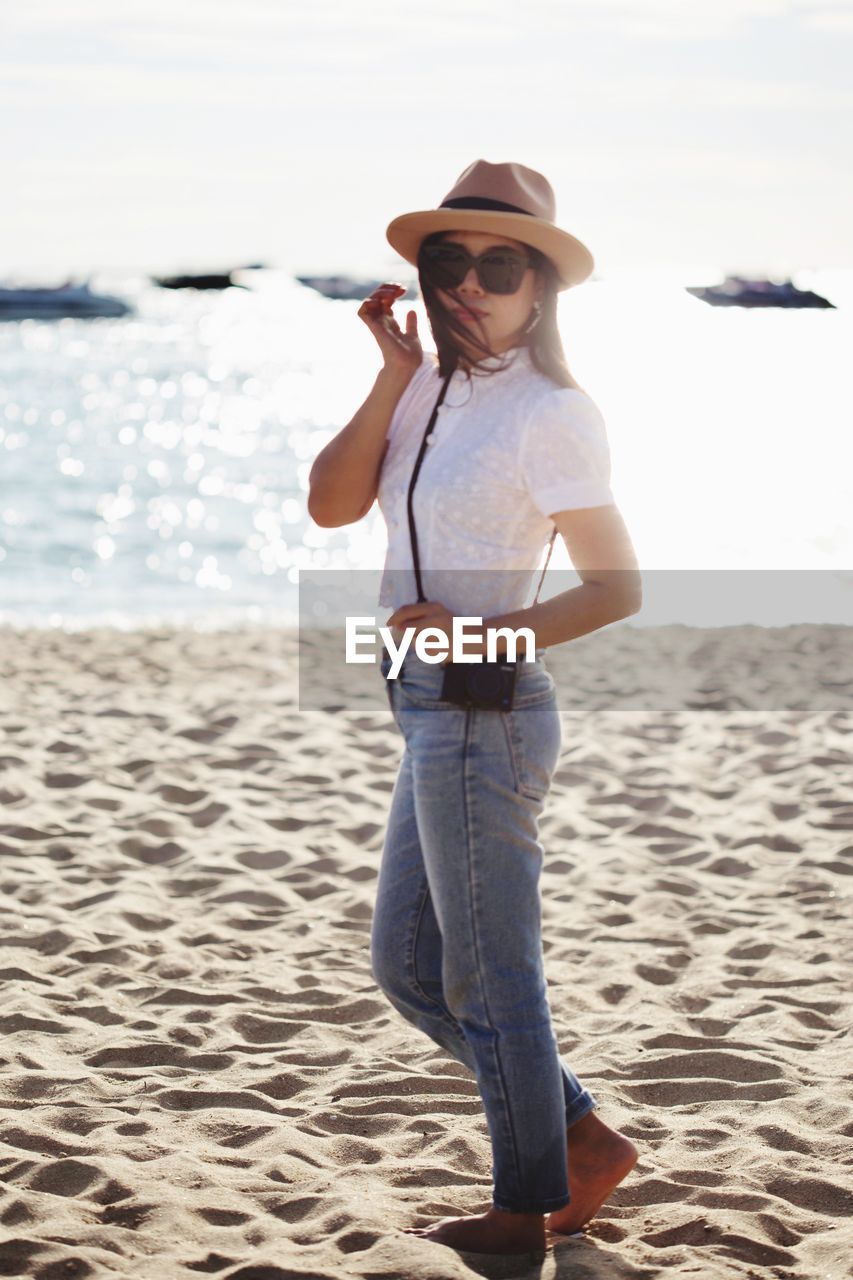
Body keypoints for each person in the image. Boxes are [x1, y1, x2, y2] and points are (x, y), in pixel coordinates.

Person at [307, 159, 642, 1256]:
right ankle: (580, 1134)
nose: (468, 281)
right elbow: (330, 503)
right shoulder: (425, 387)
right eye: (445, 259)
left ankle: (523, 1204)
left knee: (491, 971)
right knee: (408, 969)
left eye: (499, 264)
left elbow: (615, 587)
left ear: (540, 289)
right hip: (423, 710)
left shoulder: (552, 411)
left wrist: (476, 634)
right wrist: (390, 370)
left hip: (487, 707)